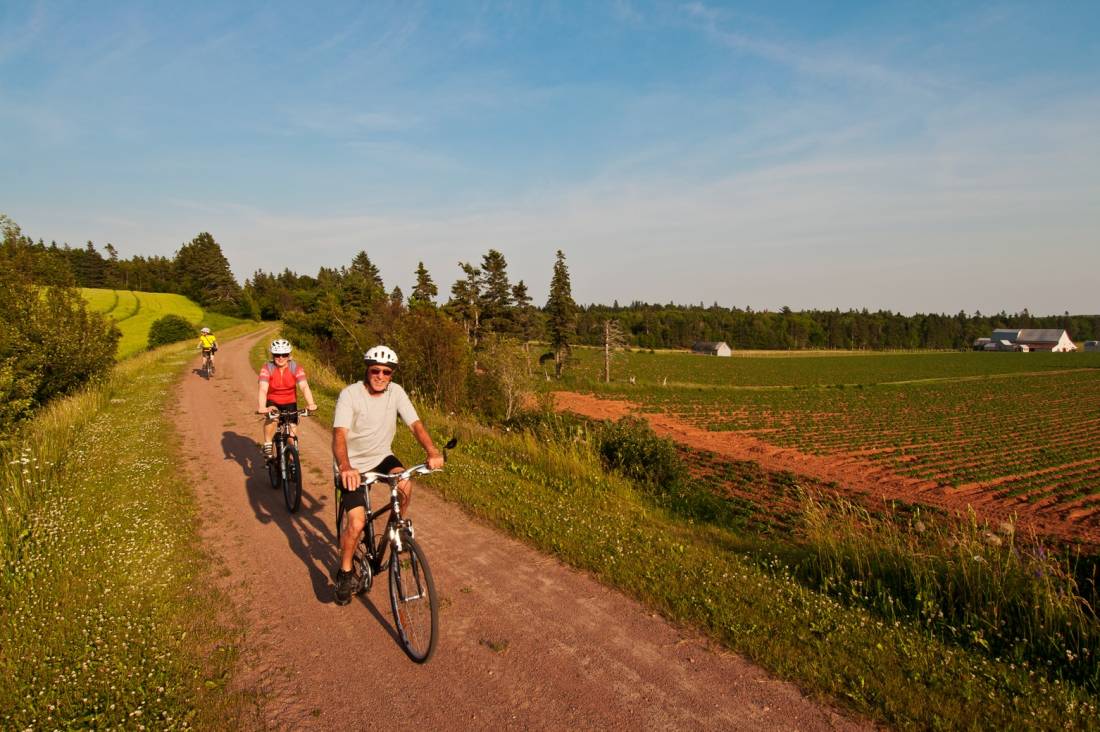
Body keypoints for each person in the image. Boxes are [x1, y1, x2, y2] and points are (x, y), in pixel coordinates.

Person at [331, 344, 443, 606]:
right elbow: (339, 436)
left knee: (404, 482)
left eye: (387, 372)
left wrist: (432, 450)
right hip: (354, 465)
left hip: (382, 456)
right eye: (376, 370)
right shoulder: (350, 395)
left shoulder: (396, 392)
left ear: (392, 374)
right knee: (357, 523)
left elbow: (415, 425)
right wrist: (345, 467)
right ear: (367, 370)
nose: (381, 376)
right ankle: (345, 571)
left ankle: (396, 530)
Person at [256, 338, 318, 460]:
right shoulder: (267, 368)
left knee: (291, 438)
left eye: (284, 355)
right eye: (277, 355)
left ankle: (292, 463)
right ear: (272, 355)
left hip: (290, 402)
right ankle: (268, 443)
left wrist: (311, 404)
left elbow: (304, 386)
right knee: (273, 418)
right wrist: (262, 407)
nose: (280, 358)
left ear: (289, 355)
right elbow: (263, 389)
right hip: (273, 401)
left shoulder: (295, 367)